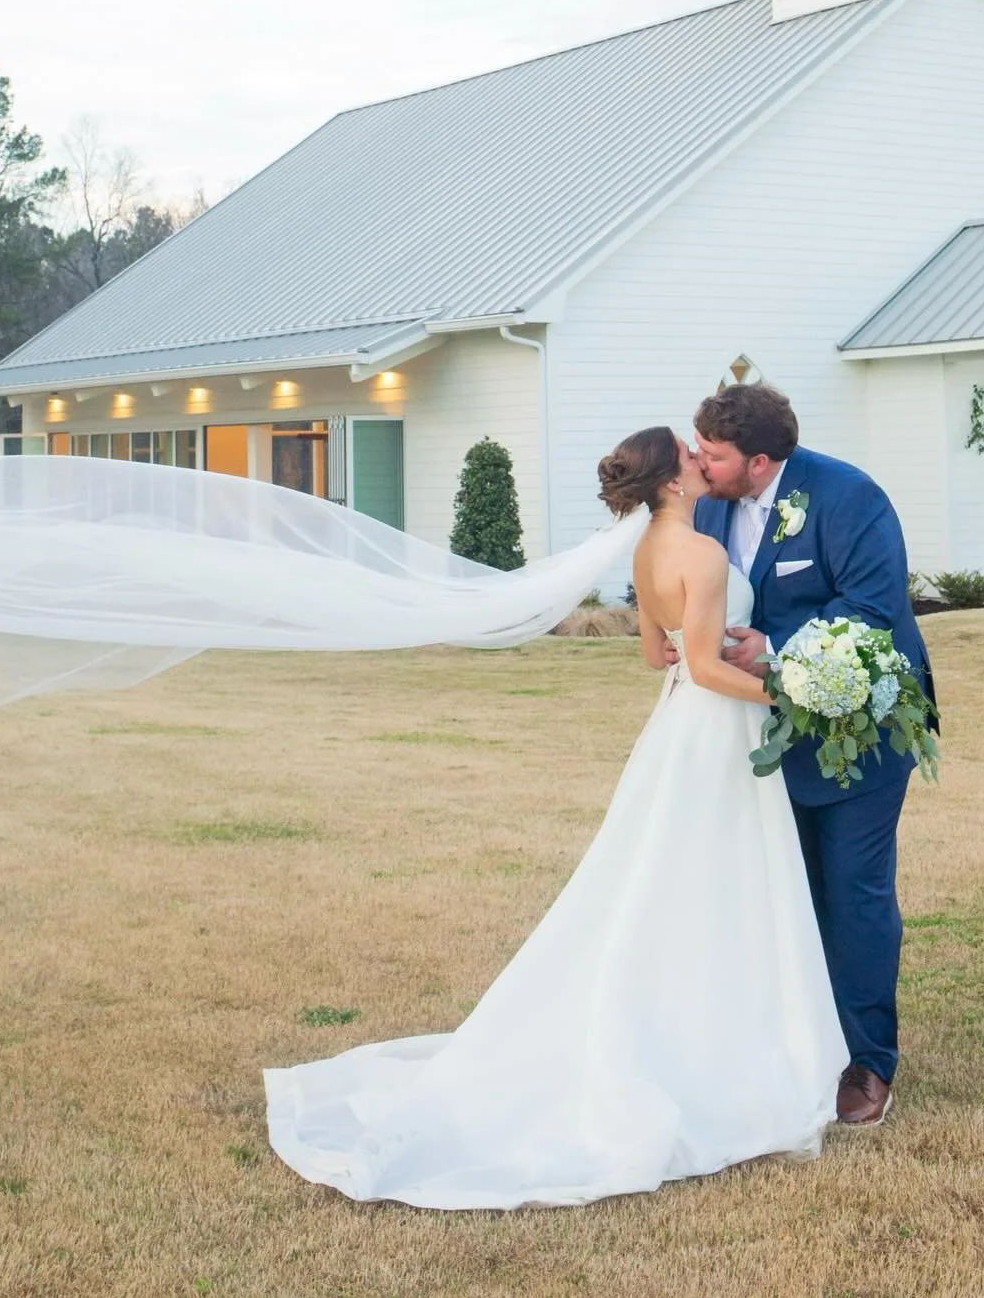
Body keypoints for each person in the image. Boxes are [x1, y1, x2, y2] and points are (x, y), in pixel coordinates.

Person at [262, 426, 849, 1208]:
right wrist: (796, 692)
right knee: (719, 881)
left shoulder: (646, 553)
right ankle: (722, 1040)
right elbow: (704, 669)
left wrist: (717, 652)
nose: (702, 459)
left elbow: (657, 656)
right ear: (673, 481)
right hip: (713, 733)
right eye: (690, 453)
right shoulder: (701, 554)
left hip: (677, 732)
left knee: (674, 880)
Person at [688, 382, 935, 1126]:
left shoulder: (850, 499)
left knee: (852, 895)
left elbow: (873, 612)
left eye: (715, 453)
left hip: (856, 736)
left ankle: (867, 1063)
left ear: (761, 462)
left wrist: (778, 648)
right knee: (777, 895)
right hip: (754, 738)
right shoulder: (707, 505)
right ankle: (793, 1043)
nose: (699, 461)